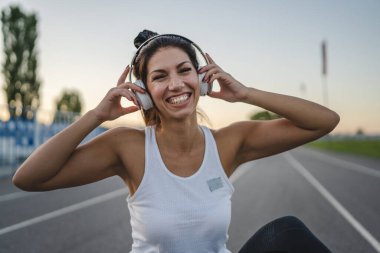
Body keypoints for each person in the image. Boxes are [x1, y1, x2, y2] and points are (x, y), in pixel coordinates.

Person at [12, 30, 339, 253]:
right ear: (144, 93)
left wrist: (245, 94)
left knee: (288, 233)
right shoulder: (128, 146)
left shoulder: (229, 143)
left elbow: (324, 121)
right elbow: (29, 178)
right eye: (160, 76)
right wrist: (96, 115)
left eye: (184, 70)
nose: (176, 84)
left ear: (202, 80)